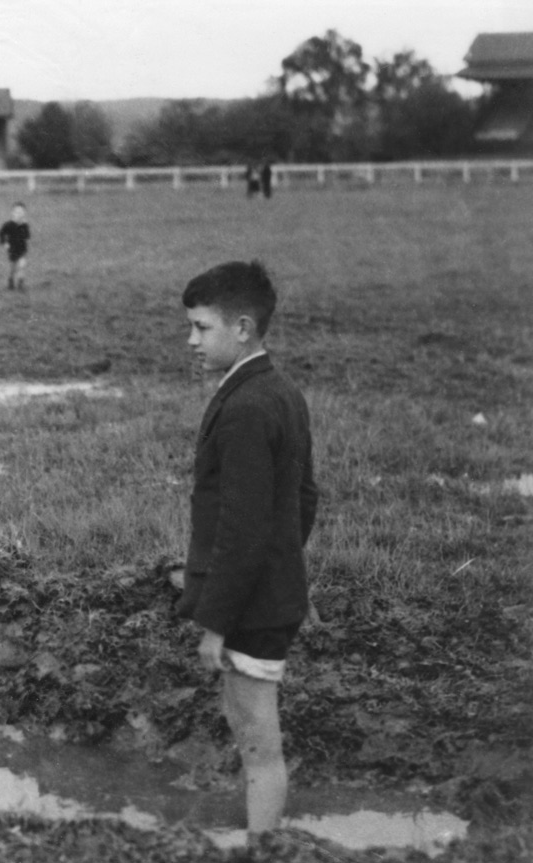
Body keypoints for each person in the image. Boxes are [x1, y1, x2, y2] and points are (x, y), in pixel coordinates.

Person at [176, 260, 318, 839]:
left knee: (258, 745)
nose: (191, 340)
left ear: (242, 327)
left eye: (201, 328)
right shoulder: (279, 390)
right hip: (268, 594)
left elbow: (243, 530)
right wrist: (290, 576)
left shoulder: (245, 409)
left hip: (251, 610)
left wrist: (215, 623)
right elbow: (302, 500)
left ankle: (262, 850)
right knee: (254, 735)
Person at [0, 202, 31, 291]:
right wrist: (4, 242)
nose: (19, 214)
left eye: (21, 212)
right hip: (12, 249)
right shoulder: (8, 224)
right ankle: (11, 280)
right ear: (12, 213)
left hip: (22, 249)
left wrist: (24, 228)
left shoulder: (25, 225)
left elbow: (27, 236)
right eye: (17, 212)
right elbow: (1, 233)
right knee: (13, 268)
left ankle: (20, 283)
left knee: (22, 265)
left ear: (24, 213)